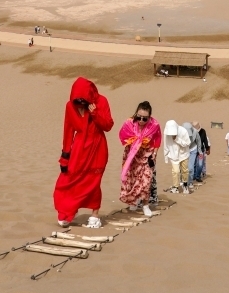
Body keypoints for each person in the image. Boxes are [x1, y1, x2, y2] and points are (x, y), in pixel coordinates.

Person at [54, 77, 114, 228]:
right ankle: (68, 211)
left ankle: (95, 215)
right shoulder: (70, 106)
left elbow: (108, 125)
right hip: (79, 148)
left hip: (97, 147)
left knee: (94, 181)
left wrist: (95, 113)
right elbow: (68, 131)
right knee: (69, 178)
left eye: (83, 102)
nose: (81, 105)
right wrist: (65, 156)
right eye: (77, 102)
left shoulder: (101, 101)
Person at [118, 102, 161, 215]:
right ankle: (133, 201)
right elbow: (122, 135)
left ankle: (145, 205)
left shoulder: (154, 125)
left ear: (149, 117)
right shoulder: (129, 123)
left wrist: (155, 153)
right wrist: (133, 140)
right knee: (132, 179)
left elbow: (157, 139)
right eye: (139, 117)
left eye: (144, 118)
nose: (141, 120)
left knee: (146, 181)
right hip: (132, 155)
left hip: (147, 155)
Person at [163, 120, 191, 193]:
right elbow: (165, 145)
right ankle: (176, 187)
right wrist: (166, 157)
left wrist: (177, 139)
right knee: (176, 171)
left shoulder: (183, 131)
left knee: (185, 170)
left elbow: (188, 143)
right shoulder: (166, 134)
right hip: (173, 155)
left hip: (184, 154)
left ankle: (185, 185)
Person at [182, 122, 200, 191]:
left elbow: (198, 141)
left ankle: (190, 182)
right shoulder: (179, 132)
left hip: (193, 150)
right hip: (184, 150)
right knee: (183, 167)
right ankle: (183, 180)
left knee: (190, 168)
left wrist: (200, 151)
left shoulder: (195, 132)